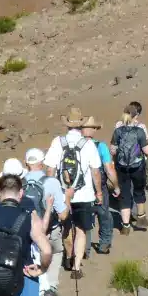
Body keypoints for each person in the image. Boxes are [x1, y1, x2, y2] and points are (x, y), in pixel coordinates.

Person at [44, 107, 103, 279]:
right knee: (81, 230)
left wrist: (50, 190)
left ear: (68, 125)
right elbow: (95, 172)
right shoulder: (88, 144)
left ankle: (68, 257)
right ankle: (77, 266)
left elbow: (50, 169)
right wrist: (99, 192)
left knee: (65, 226)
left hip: (62, 194)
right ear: (81, 125)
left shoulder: (58, 142)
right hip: (84, 195)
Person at [22, 148, 68, 296]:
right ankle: (51, 288)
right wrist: (67, 198)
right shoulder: (52, 182)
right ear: (42, 163)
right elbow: (63, 215)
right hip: (49, 229)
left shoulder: (19, 183)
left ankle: (34, 290)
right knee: (55, 252)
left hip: (26, 232)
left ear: (26, 163)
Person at [111, 102, 148, 233]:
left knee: (124, 195)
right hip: (137, 166)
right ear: (135, 116)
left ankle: (125, 226)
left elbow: (112, 150)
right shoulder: (139, 130)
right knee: (139, 191)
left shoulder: (118, 130)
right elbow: (147, 151)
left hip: (122, 167)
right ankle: (141, 219)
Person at [81, 117, 118, 255]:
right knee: (104, 214)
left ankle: (84, 247)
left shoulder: (74, 145)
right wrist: (116, 186)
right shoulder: (100, 146)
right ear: (93, 130)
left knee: (85, 217)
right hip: (99, 186)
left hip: (80, 188)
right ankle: (104, 244)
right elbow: (109, 169)